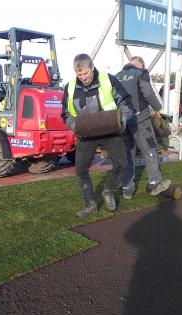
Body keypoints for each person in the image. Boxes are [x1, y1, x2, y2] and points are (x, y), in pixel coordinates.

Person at [61, 53, 134, 218]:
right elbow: (65, 114)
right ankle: (90, 205)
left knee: (122, 164)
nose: (83, 77)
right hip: (86, 135)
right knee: (80, 171)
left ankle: (108, 190)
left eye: (85, 73)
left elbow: (126, 103)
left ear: (92, 67)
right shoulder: (70, 87)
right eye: (79, 74)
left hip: (110, 131)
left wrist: (122, 117)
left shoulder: (108, 80)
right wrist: (73, 125)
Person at [115, 55, 171, 199]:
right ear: (141, 65)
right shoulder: (141, 74)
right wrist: (158, 108)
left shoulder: (116, 76)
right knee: (150, 150)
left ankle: (127, 188)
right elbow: (148, 93)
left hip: (123, 122)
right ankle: (154, 183)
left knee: (128, 154)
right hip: (141, 121)